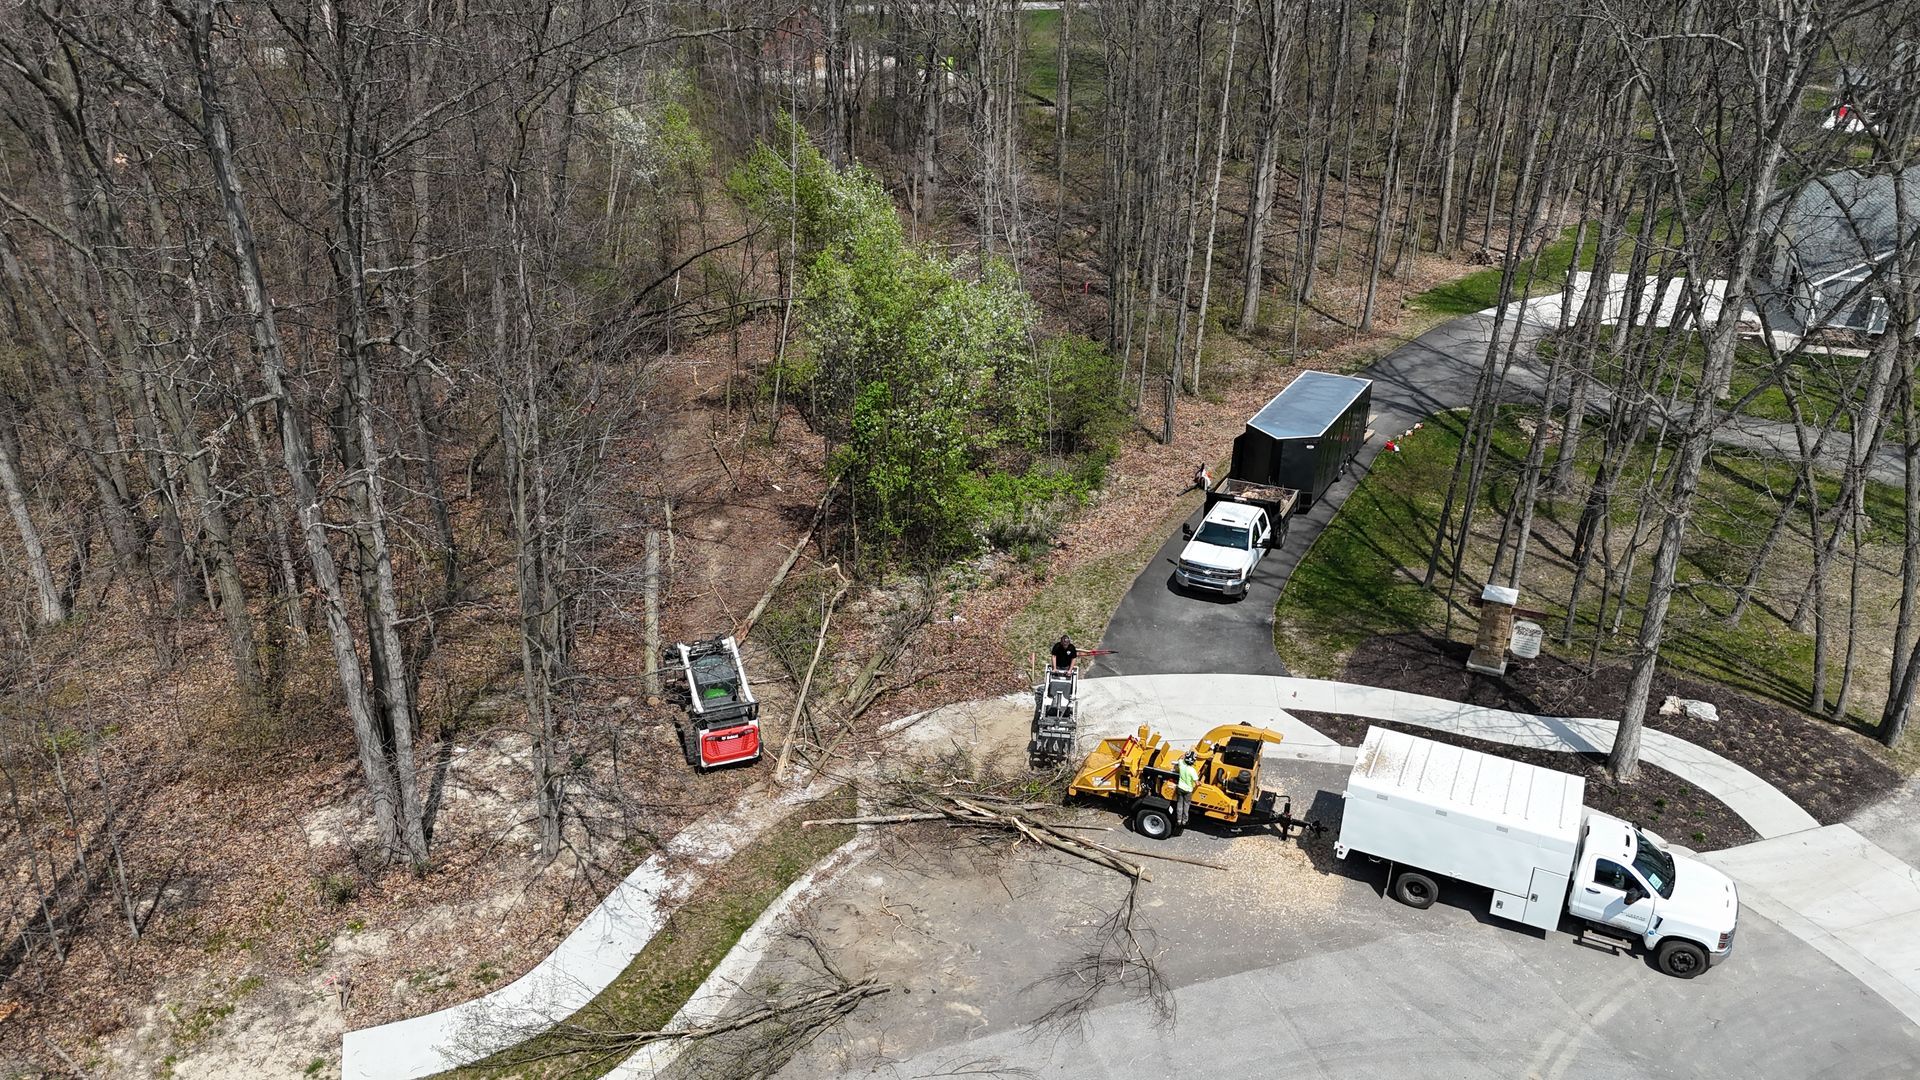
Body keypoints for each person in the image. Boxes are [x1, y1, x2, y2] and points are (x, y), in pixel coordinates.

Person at [1175, 750, 1199, 829]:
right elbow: (1197, 783)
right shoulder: (1192, 771)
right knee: (1186, 805)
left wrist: (1185, 754)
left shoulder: (1182, 764)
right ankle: (1184, 821)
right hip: (1188, 791)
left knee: (1179, 804)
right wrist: (1200, 783)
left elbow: (1180, 758)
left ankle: (1179, 820)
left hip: (1180, 788)